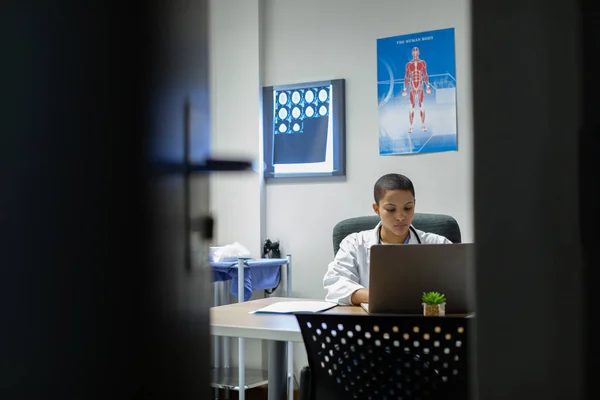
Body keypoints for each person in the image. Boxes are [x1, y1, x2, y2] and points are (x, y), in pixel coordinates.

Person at [323, 173, 451, 305]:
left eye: (408, 208)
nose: (401, 217)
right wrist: (382, 296)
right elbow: (335, 285)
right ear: (377, 209)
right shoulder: (355, 244)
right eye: (391, 209)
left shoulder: (440, 244)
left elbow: (461, 286)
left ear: (415, 204)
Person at [401, 46, 432, 134]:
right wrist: (404, 88)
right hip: (412, 87)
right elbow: (406, 77)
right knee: (411, 107)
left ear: (418, 53)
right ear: (412, 53)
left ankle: (423, 125)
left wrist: (428, 86)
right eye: (413, 51)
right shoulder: (408, 64)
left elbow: (425, 75)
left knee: (421, 105)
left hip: (420, 86)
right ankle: (411, 126)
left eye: (416, 51)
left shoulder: (422, 63)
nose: (415, 52)